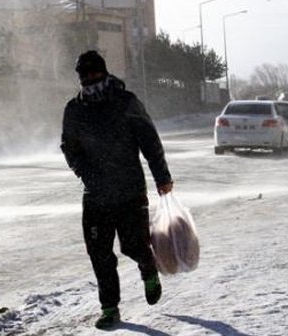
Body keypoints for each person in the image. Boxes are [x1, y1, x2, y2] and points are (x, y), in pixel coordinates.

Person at [60, 50, 174, 330]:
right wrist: (84, 173)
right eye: (84, 75)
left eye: (94, 73)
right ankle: (110, 308)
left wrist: (162, 177)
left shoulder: (126, 102)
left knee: (134, 246)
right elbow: (69, 147)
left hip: (130, 191)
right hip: (95, 195)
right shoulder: (74, 110)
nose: (90, 79)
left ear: (105, 72)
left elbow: (150, 141)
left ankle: (148, 267)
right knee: (99, 253)